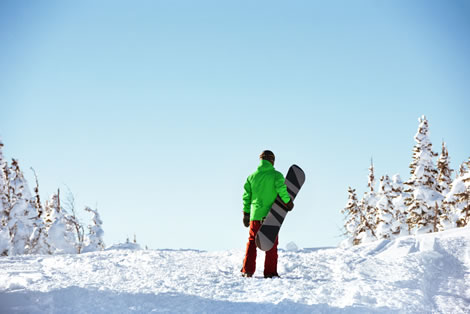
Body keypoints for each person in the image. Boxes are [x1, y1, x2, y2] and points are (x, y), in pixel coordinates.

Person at [241, 150, 293, 278]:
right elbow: (282, 190)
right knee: (271, 243)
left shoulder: (251, 177)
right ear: (272, 161)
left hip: (255, 215)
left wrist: (246, 214)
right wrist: (288, 202)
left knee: (252, 242)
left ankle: (247, 271)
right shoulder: (276, 175)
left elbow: (246, 197)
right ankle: (270, 273)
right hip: (271, 216)